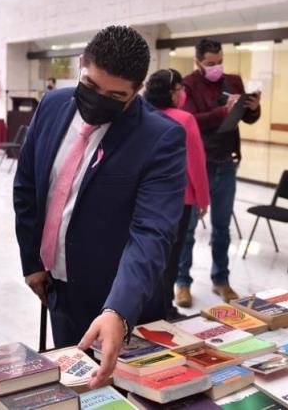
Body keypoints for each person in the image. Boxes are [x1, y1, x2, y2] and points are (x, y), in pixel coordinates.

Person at [14, 26, 186, 388]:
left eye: (115, 95)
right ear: (81, 65)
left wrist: (118, 310)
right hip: (59, 291)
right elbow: (28, 185)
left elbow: (151, 234)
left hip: (123, 301)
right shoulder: (53, 105)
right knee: (71, 391)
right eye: (91, 87)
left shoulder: (160, 138)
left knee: (120, 395)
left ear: (137, 90)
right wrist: (32, 261)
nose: (99, 100)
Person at [179, 38, 261, 305]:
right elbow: (191, 120)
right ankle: (182, 282)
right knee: (188, 229)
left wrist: (252, 108)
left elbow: (246, 119)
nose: (216, 67)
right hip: (196, 164)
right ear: (198, 62)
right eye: (210, 63)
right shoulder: (188, 85)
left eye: (219, 62)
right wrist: (221, 111)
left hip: (226, 162)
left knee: (222, 228)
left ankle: (221, 280)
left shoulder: (234, 81)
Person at [143, 69, 209, 320]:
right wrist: (203, 199)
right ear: (172, 93)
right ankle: (166, 309)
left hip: (146, 197)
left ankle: (148, 306)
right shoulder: (184, 119)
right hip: (178, 200)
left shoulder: (142, 115)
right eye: (180, 89)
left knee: (149, 254)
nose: (183, 94)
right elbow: (196, 164)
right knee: (171, 257)